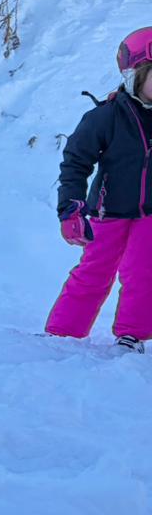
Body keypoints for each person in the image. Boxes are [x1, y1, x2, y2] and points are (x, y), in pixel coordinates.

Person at [46, 27, 152, 351]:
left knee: (144, 273)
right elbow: (76, 162)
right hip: (108, 211)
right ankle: (63, 334)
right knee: (94, 271)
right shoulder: (106, 117)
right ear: (135, 76)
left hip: (150, 214)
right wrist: (71, 208)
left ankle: (132, 335)